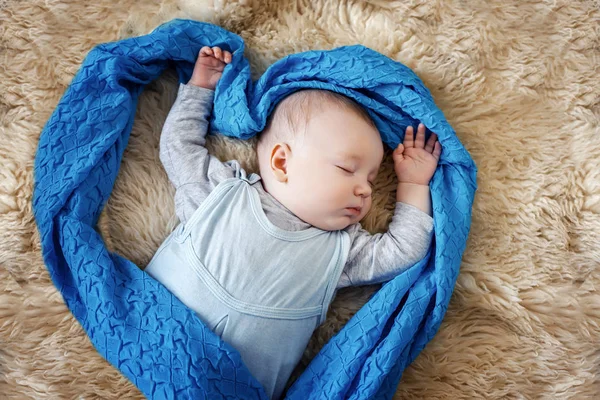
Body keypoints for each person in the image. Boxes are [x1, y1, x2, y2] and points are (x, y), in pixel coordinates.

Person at [145, 46, 441, 399]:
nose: (365, 190)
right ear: (282, 163)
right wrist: (201, 88)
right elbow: (179, 145)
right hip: (152, 334)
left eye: (373, 181)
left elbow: (403, 250)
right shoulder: (221, 194)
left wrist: (413, 184)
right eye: (348, 169)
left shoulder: (340, 251)